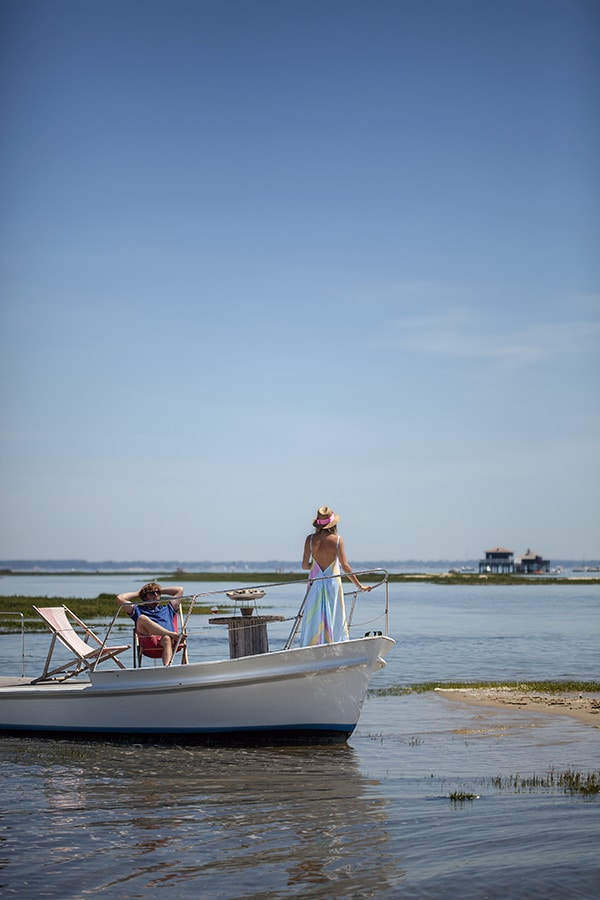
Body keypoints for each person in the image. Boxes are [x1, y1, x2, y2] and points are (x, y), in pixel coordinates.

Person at [299, 506, 370, 647]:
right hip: (332, 583)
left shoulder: (310, 539)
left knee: (313, 616)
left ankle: (311, 644)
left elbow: (304, 566)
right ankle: (335, 644)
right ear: (333, 524)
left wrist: (314, 564)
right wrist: (359, 586)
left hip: (315, 584)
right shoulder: (337, 540)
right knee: (335, 614)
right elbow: (345, 566)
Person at [116, 582, 185, 666]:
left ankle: (167, 667)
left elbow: (180, 590)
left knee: (166, 638)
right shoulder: (138, 609)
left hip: (169, 640)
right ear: (145, 597)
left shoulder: (167, 609)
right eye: (152, 593)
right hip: (149, 640)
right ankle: (170, 634)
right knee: (142, 618)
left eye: (158, 593)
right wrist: (139, 593)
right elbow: (120, 598)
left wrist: (159, 590)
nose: (156, 595)